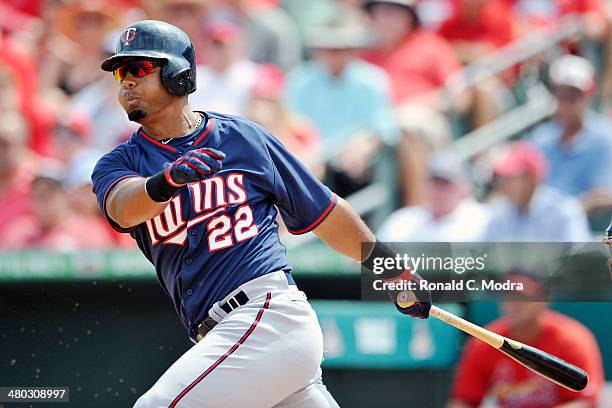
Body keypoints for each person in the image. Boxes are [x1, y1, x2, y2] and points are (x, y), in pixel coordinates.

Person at [92, 20, 430, 407]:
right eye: (121, 72)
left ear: (177, 74)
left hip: (267, 316)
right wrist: (165, 182)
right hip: (229, 342)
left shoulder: (241, 140)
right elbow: (123, 208)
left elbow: (325, 211)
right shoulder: (120, 163)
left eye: (139, 69)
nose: (127, 82)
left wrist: (394, 271)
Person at [448, 273, 604, 407]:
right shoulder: (484, 341)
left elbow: (586, 403)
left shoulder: (572, 339)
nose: (513, 304)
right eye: (508, 296)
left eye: (522, 296)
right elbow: (464, 400)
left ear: (543, 299)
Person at [530, 55, 612, 214]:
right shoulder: (541, 137)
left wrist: (568, 214)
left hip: (588, 232)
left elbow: (605, 195)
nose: (566, 104)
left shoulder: (605, 137)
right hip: (544, 228)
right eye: (561, 96)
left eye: (573, 96)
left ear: (588, 96)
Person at [482, 141, 592, 241]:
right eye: (502, 179)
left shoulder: (564, 211)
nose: (502, 185)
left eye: (509, 178)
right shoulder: (502, 212)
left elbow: (578, 258)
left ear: (530, 179)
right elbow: (480, 251)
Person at [361, 0, 463, 107]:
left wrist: (417, 106)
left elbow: (460, 95)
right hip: (371, 118)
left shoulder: (430, 46)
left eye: (398, 13)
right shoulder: (360, 52)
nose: (391, 20)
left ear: (411, 18)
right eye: (386, 13)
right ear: (371, 16)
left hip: (421, 117)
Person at [378, 153, 489, 242]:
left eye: (445, 184)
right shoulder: (403, 221)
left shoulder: (483, 220)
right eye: (434, 183)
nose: (438, 191)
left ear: (464, 187)